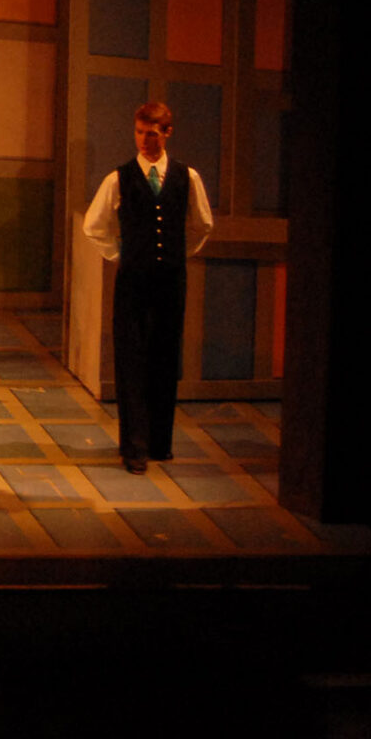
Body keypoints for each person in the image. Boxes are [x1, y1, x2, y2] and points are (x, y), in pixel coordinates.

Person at [80, 102, 215, 473]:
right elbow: (93, 226)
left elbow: (202, 224)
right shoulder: (119, 178)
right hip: (133, 283)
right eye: (139, 132)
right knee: (131, 360)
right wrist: (122, 254)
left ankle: (159, 442)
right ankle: (134, 447)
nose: (144, 140)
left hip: (170, 281)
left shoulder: (187, 177)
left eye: (152, 133)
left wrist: (177, 252)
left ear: (167, 133)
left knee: (165, 358)